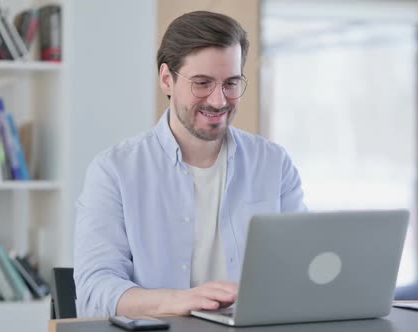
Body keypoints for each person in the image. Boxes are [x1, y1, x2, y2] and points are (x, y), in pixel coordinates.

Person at [73, 11, 306, 318]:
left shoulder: (274, 164)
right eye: (202, 83)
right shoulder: (114, 171)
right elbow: (94, 289)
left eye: (231, 84)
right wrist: (176, 301)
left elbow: (302, 268)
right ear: (167, 79)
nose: (219, 101)